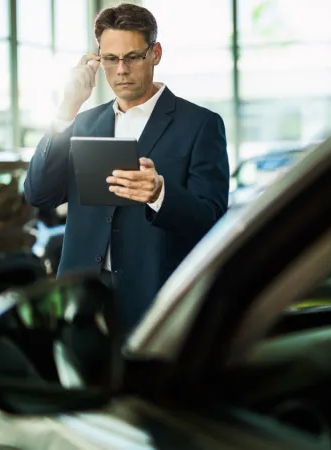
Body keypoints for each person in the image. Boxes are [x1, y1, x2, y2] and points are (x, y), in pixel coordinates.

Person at [23, 3, 230, 333]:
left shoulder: (200, 125)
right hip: (82, 302)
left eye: (132, 57)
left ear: (155, 53)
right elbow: (38, 193)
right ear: (98, 60)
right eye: (111, 59)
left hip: (156, 302)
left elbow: (212, 219)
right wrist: (66, 109)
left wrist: (160, 194)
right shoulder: (83, 122)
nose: (121, 69)